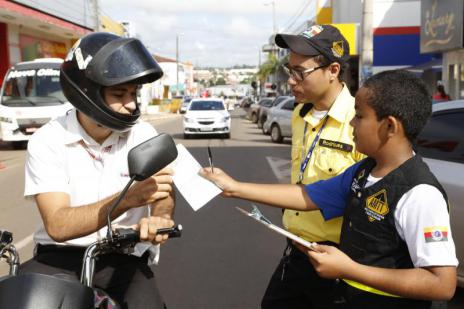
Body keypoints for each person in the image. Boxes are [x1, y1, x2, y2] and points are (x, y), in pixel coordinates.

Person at [201, 70, 457, 308]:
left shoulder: (420, 193)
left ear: (390, 126)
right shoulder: (363, 171)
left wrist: (348, 269)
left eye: (359, 116)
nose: (351, 125)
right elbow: (308, 195)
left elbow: (441, 284)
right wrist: (234, 187)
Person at [20, 32, 175, 309]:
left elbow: (163, 192)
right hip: (58, 258)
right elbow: (58, 224)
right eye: (119, 94)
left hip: (124, 257)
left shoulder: (143, 135)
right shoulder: (48, 140)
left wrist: (160, 218)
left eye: (134, 93)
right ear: (86, 91)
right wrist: (128, 199)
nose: (131, 105)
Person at [262, 24, 365, 308]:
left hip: (338, 260)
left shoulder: (360, 121)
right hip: (296, 250)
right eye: (289, 70)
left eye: (300, 72)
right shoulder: (300, 114)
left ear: (333, 70)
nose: (291, 81)